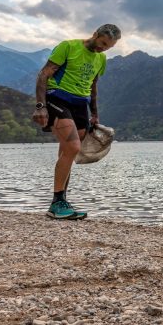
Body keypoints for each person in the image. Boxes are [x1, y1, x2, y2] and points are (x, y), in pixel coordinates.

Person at [31, 24, 121, 220]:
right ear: (95, 34)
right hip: (57, 98)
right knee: (72, 146)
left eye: (108, 47)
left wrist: (94, 113)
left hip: (81, 104)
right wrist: (40, 106)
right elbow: (44, 74)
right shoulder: (68, 46)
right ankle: (57, 203)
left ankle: (61, 201)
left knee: (67, 152)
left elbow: (93, 85)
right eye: (102, 43)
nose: (103, 49)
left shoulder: (101, 58)